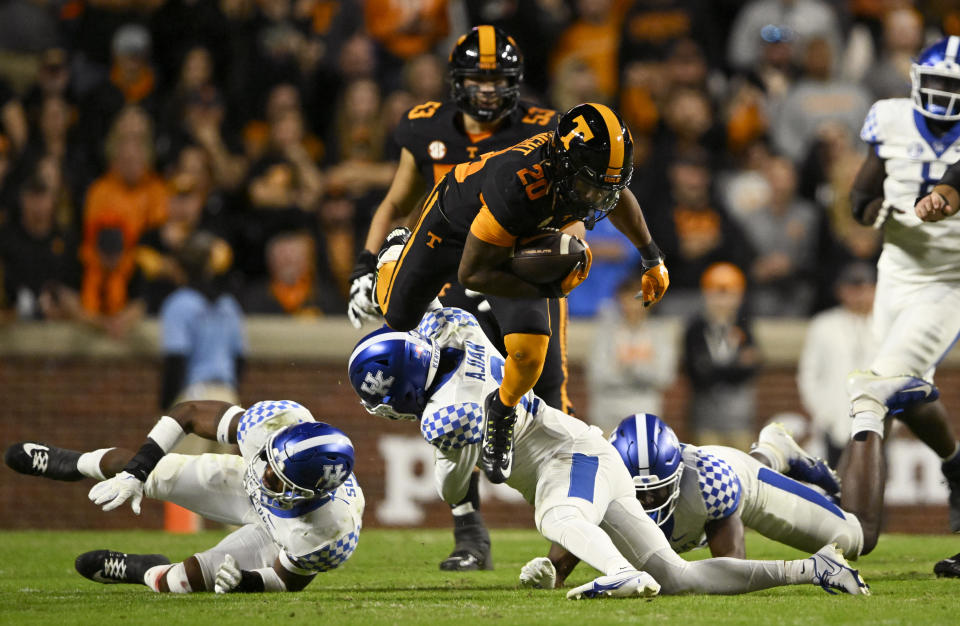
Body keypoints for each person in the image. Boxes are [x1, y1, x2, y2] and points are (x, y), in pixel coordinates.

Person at [347, 306, 869, 598]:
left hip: (567, 456)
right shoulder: (456, 330)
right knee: (677, 579)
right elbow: (438, 311)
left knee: (558, 514)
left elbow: (453, 483)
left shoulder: (444, 417)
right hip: (586, 451)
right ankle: (814, 570)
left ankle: (620, 571)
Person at [345, 26, 573, 572]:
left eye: (498, 81)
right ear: (457, 83)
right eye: (479, 80)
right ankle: (469, 531)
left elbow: (568, 211)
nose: (490, 92)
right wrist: (365, 267)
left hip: (517, 271)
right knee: (449, 399)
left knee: (549, 389)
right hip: (452, 279)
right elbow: (398, 202)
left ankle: (569, 530)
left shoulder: (544, 129)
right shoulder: (426, 127)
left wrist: (554, 261)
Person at [373, 102, 668, 491]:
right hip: (455, 227)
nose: (596, 198)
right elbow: (472, 274)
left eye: (604, 187)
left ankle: (503, 408)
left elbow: (619, 196)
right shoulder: (520, 184)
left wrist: (651, 256)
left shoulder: (587, 173)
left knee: (531, 352)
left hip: (522, 236)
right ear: (562, 165)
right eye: (588, 186)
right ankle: (396, 250)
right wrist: (548, 286)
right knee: (396, 315)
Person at [4, 399, 363, 594]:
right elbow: (189, 414)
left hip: (275, 531)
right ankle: (73, 462)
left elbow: (288, 580)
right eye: (267, 461)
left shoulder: (330, 532)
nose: (263, 472)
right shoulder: (275, 423)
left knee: (184, 581)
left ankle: (142, 569)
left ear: (306, 493)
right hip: (245, 493)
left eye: (276, 478)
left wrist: (247, 582)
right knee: (156, 471)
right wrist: (137, 472)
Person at [843, 36, 960, 557]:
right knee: (905, 392)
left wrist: (937, 203)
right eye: (935, 84)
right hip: (896, 270)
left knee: (873, 394)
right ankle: (957, 464)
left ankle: (853, 540)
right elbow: (860, 199)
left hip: (950, 279)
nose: (942, 97)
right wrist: (875, 215)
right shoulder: (888, 117)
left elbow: (952, 188)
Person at [520, 414, 853, 589]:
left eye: (658, 492)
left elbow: (733, 569)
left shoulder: (710, 483)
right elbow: (560, 566)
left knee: (854, 540)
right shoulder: (598, 484)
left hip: (741, 478)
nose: (648, 503)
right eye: (639, 493)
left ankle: (771, 452)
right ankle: (772, 451)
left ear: (677, 477)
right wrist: (548, 576)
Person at [796, 262, 876, 466]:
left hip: (878, 422)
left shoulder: (888, 324)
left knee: (876, 484)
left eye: (865, 288)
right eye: (853, 288)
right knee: (837, 484)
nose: (859, 294)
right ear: (841, 291)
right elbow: (809, 374)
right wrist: (824, 414)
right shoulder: (824, 325)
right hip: (837, 422)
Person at [682, 262, 761, 451]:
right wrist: (734, 366)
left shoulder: (744, 327)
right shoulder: (696, 329)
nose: (723, 302)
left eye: (729, 294)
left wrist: (715, 368)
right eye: (717, 293)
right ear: (706, 294)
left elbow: (753, 367)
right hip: (705, 418)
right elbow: (697, 374)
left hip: (740, 418)